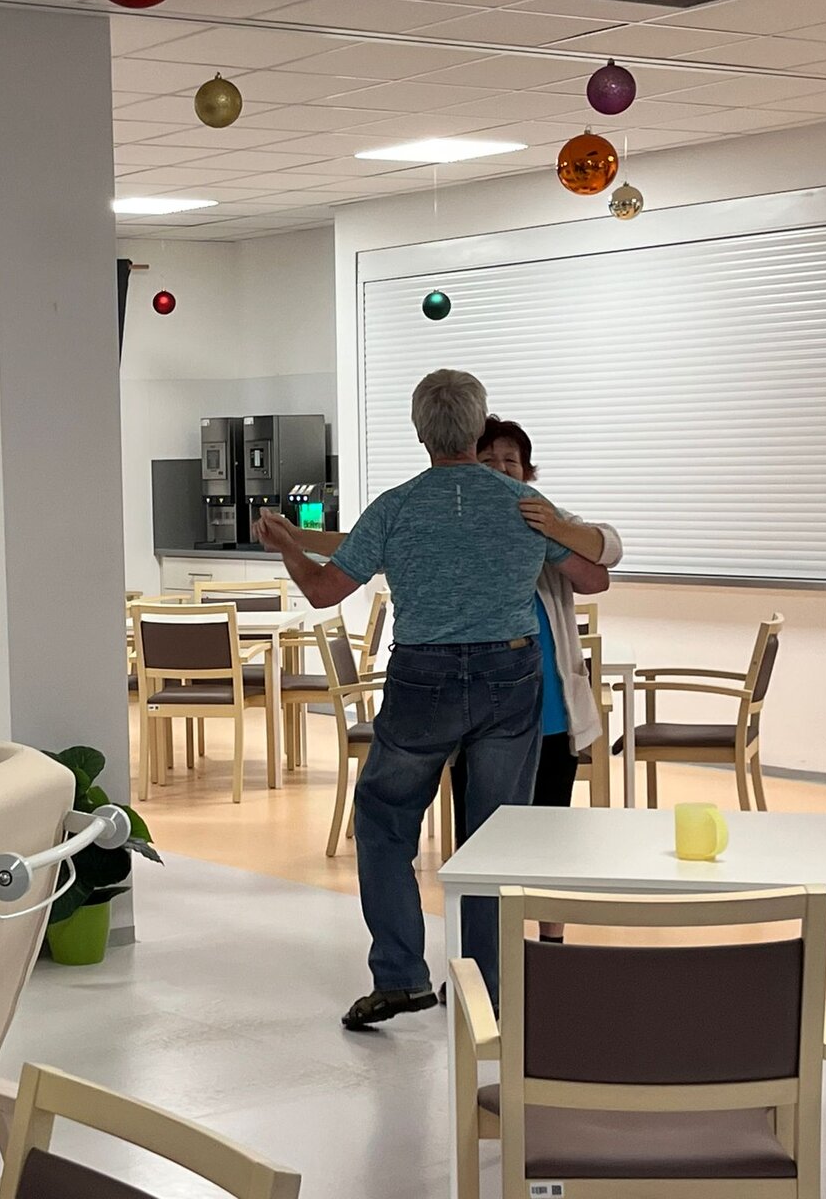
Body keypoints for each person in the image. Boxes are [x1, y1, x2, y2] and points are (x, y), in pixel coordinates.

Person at [252, 369, 608, 1030]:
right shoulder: (524, 503)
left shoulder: (395, 507)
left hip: (424, 677)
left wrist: (289, 550)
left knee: (385, 817)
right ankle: (486, 989)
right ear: (477, 428)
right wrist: (562, 531)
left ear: (420, 433)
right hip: (511, 672)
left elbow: (325, 591)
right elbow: (592, 578)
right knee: (494, 833)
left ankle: (400, 976)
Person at [449, 417, 623, 944]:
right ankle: (480, 954)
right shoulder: (456, 527)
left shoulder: (545, 519)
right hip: (477, 713)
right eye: (488, 461)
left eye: (512, 461)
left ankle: (551, 944)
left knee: (550, 834)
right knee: (479, 840)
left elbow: (607, 553)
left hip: (549, 710)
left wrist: (551, 529)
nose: (502, 470)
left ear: (527, 472)